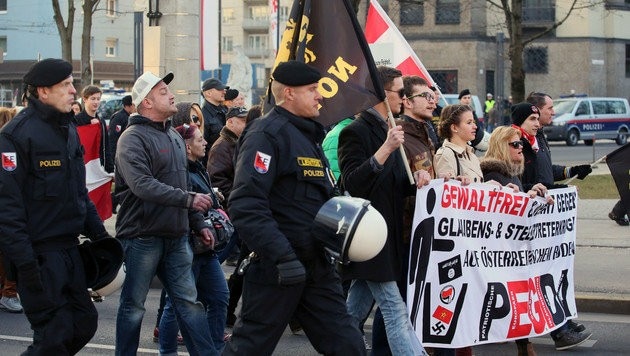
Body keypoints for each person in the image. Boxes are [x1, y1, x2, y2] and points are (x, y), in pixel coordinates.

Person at [224, 60, 366, 355]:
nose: (320, 96)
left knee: (348, 345)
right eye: (313, 90)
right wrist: (282, 257)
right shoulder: (266, 134)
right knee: (249, 348)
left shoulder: (307, 136)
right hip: (278, 266)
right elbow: (246, 204)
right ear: (289, 93)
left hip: (316, 265)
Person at [0, 58, 111, 354]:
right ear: (42, 91)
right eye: (65, 85)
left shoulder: (68, 129)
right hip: (38, 255)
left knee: (84, 323)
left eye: (72, 83)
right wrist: (26, 266)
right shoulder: (16, 135)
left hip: (69, 250)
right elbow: (8, 210)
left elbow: (78, 191)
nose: (73, 90)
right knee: (53, 334)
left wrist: (101, 237)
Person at [114, 71, 217, 355]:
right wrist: (189, 201)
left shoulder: (173, 134)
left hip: (177, 235)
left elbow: (182, 183)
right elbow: (142, 186)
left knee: (190, 304)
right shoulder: (131, 138)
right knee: (133, 306)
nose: (171, 95)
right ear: (146, 102)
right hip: (141, 236)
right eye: (162, 92)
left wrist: (198, 223)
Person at [338, 65, 429, 355]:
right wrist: (385, 150)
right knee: (395, 310)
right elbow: (353, 182)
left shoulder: (388, 129)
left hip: (389, 235)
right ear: (380, 93)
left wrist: (418, 182)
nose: (404, 99)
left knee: (354, 311)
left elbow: (396, 185)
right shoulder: (355, 131)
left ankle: (339, 349)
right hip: (369, 236)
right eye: (401, 92)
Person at [514, 98, 593, 350]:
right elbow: (520, 182)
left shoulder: (538, 140)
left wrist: (570, 171)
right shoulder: (516, 144)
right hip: (529, 222)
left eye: (539, 118)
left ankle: (563, 321)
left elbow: (546, 171)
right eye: (533, 119)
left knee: (554, 271)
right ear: (521, 121)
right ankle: (559, 331)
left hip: (545, 219)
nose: (538, 122)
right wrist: (553, 189)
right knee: (540, 277)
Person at [480, 125, 554, 356]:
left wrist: (533, 191)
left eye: (521, 143)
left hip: (511, 251)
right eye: (515, 144)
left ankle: (524, 345)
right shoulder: (493, 175)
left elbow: (517, 199)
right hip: (497, 252)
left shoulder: (509, 173)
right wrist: (524, 198)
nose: (521, 147)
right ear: (502, 147)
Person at [158, 123, 229, 355]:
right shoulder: (179, 172)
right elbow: (184, 206)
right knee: (176, 306)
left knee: (219, 297)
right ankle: (167, 351)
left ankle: (214, 349)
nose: (205, 142)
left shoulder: (198, 167)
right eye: (200, 140)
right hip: (188, 246)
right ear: (187, 148)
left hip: (205, 247)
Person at [523, 93, 592, 190]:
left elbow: (545, 170)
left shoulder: (540, 136)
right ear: (537, 110)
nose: (553, 112)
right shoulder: (521, 141)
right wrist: (560, 188)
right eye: (550, 108)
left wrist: (572, 171)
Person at [434, 104, 484, 183]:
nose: (475, 126)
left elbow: (477, 187)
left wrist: (493, 187)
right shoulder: (445, 154)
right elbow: (447, 190)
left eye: (473, 122)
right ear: (454, 127)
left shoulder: (471, 154)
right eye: (469, 122)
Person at [75, 85, 114, 173]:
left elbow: (106, 147)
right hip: (82, 167)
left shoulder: (101, 121)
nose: (96, 102)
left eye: (98, 99)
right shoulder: (76, 120)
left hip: (99, 167)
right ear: (85, 99)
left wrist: (110, 170)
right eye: (93, 98)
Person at [109, 94, 135, 215]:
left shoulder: (129, 117)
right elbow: (114, 139)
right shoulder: (119, 118)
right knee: (123, 183)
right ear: (128, 106)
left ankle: (113, 202)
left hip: (126, 155)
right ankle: (113, 202)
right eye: (133, 105)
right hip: (119, 155)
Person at [201, 77, 229, 151]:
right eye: (220, 89)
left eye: (224, 89)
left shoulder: (225, 110)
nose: (224, 92)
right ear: (208, 93)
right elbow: (203, 145)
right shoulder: (202, 116)